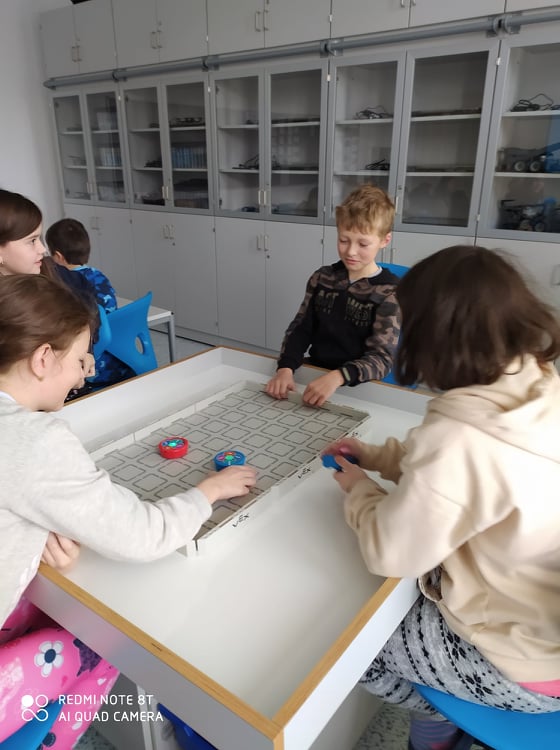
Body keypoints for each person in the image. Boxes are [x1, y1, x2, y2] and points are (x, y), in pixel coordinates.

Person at [0, 274, 257, 746]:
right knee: (102, 643)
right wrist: (208, 491)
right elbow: (142, 535)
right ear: (43, 359)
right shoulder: (36, 441)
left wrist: (31, 529)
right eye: (79, 360)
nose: (85, 375)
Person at [322, 245, 560, 750]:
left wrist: (359, 489)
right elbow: (462, 474)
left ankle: (446, 724)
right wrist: (378, 456)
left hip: (526, 663)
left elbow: (391, 553)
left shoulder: (456, 438)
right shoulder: (538, 380)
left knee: (341, 650)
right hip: (544, 620)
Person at [266, 184, 401, 407]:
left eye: (363, 243)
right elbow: (301, 328)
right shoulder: (322, 278)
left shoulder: (389, 292)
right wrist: (285, 368)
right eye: (344, 240)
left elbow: (382, 358)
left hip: (358, 384)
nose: (351, 251)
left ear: (385, 240)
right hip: (315, 372)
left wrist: (338, 377)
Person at [45, 216, 134, 389]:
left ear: (58, 256)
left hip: (95, 366)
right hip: (121, 358)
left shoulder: (65, 284)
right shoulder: (99, 275)